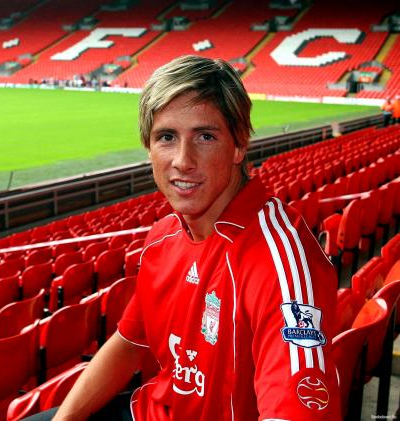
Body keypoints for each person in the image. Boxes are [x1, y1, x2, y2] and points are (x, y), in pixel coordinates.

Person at [25, 55, 340, 420]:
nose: (182, 160)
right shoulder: (163, 237)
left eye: (205, 137)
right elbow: (128, 343)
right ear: (149, 149)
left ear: (239, 145)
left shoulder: (280, 260)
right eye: (166, 137)